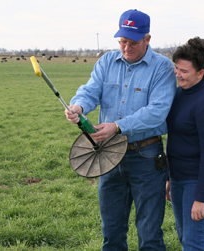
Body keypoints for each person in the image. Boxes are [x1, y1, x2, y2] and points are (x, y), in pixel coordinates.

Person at [65, 9, 176, 251]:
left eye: (133, 42)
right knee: (112, 234)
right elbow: (90, 90)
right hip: (108, 155)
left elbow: (157, 110)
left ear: (147, 39)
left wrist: (117, 127)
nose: (126, 48)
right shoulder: (106, 61)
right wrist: (78, 105)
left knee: (150, 235)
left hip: (146, 157)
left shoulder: (163, 68)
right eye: (122, 41)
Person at [165, 37, 204, 251]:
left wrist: (201, 198)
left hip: (201, 181)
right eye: (176, 68)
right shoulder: (180, 93)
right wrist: (169, 178)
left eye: (184, 71)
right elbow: (175, 140)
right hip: (179, 178)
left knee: (194, 244)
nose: (177, 74)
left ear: (200, 73)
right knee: (185, 238)